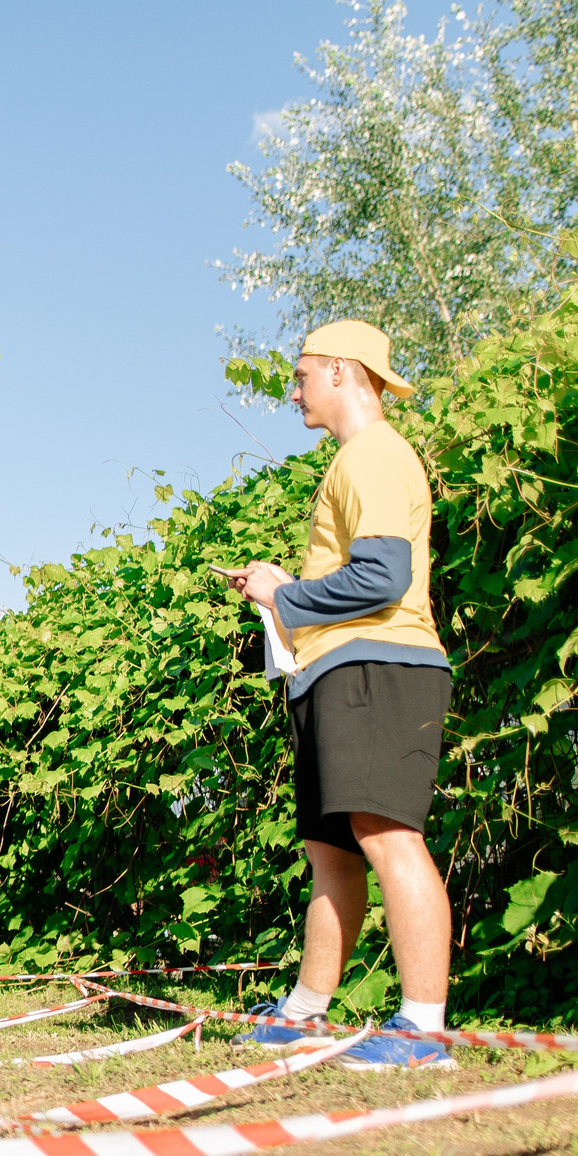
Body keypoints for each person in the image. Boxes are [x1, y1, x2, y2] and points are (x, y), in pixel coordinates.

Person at [223, 320, 455, 1071]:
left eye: (301, 376)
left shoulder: (377, 455)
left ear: (342, 372)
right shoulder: (354, 462)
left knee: (391, 839)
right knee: (332, 852)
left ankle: (424, 1030)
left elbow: (383, 578)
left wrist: (283, 590)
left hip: (382, 668)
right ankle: (304, 1015)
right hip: (334, 673)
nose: (293, 392)